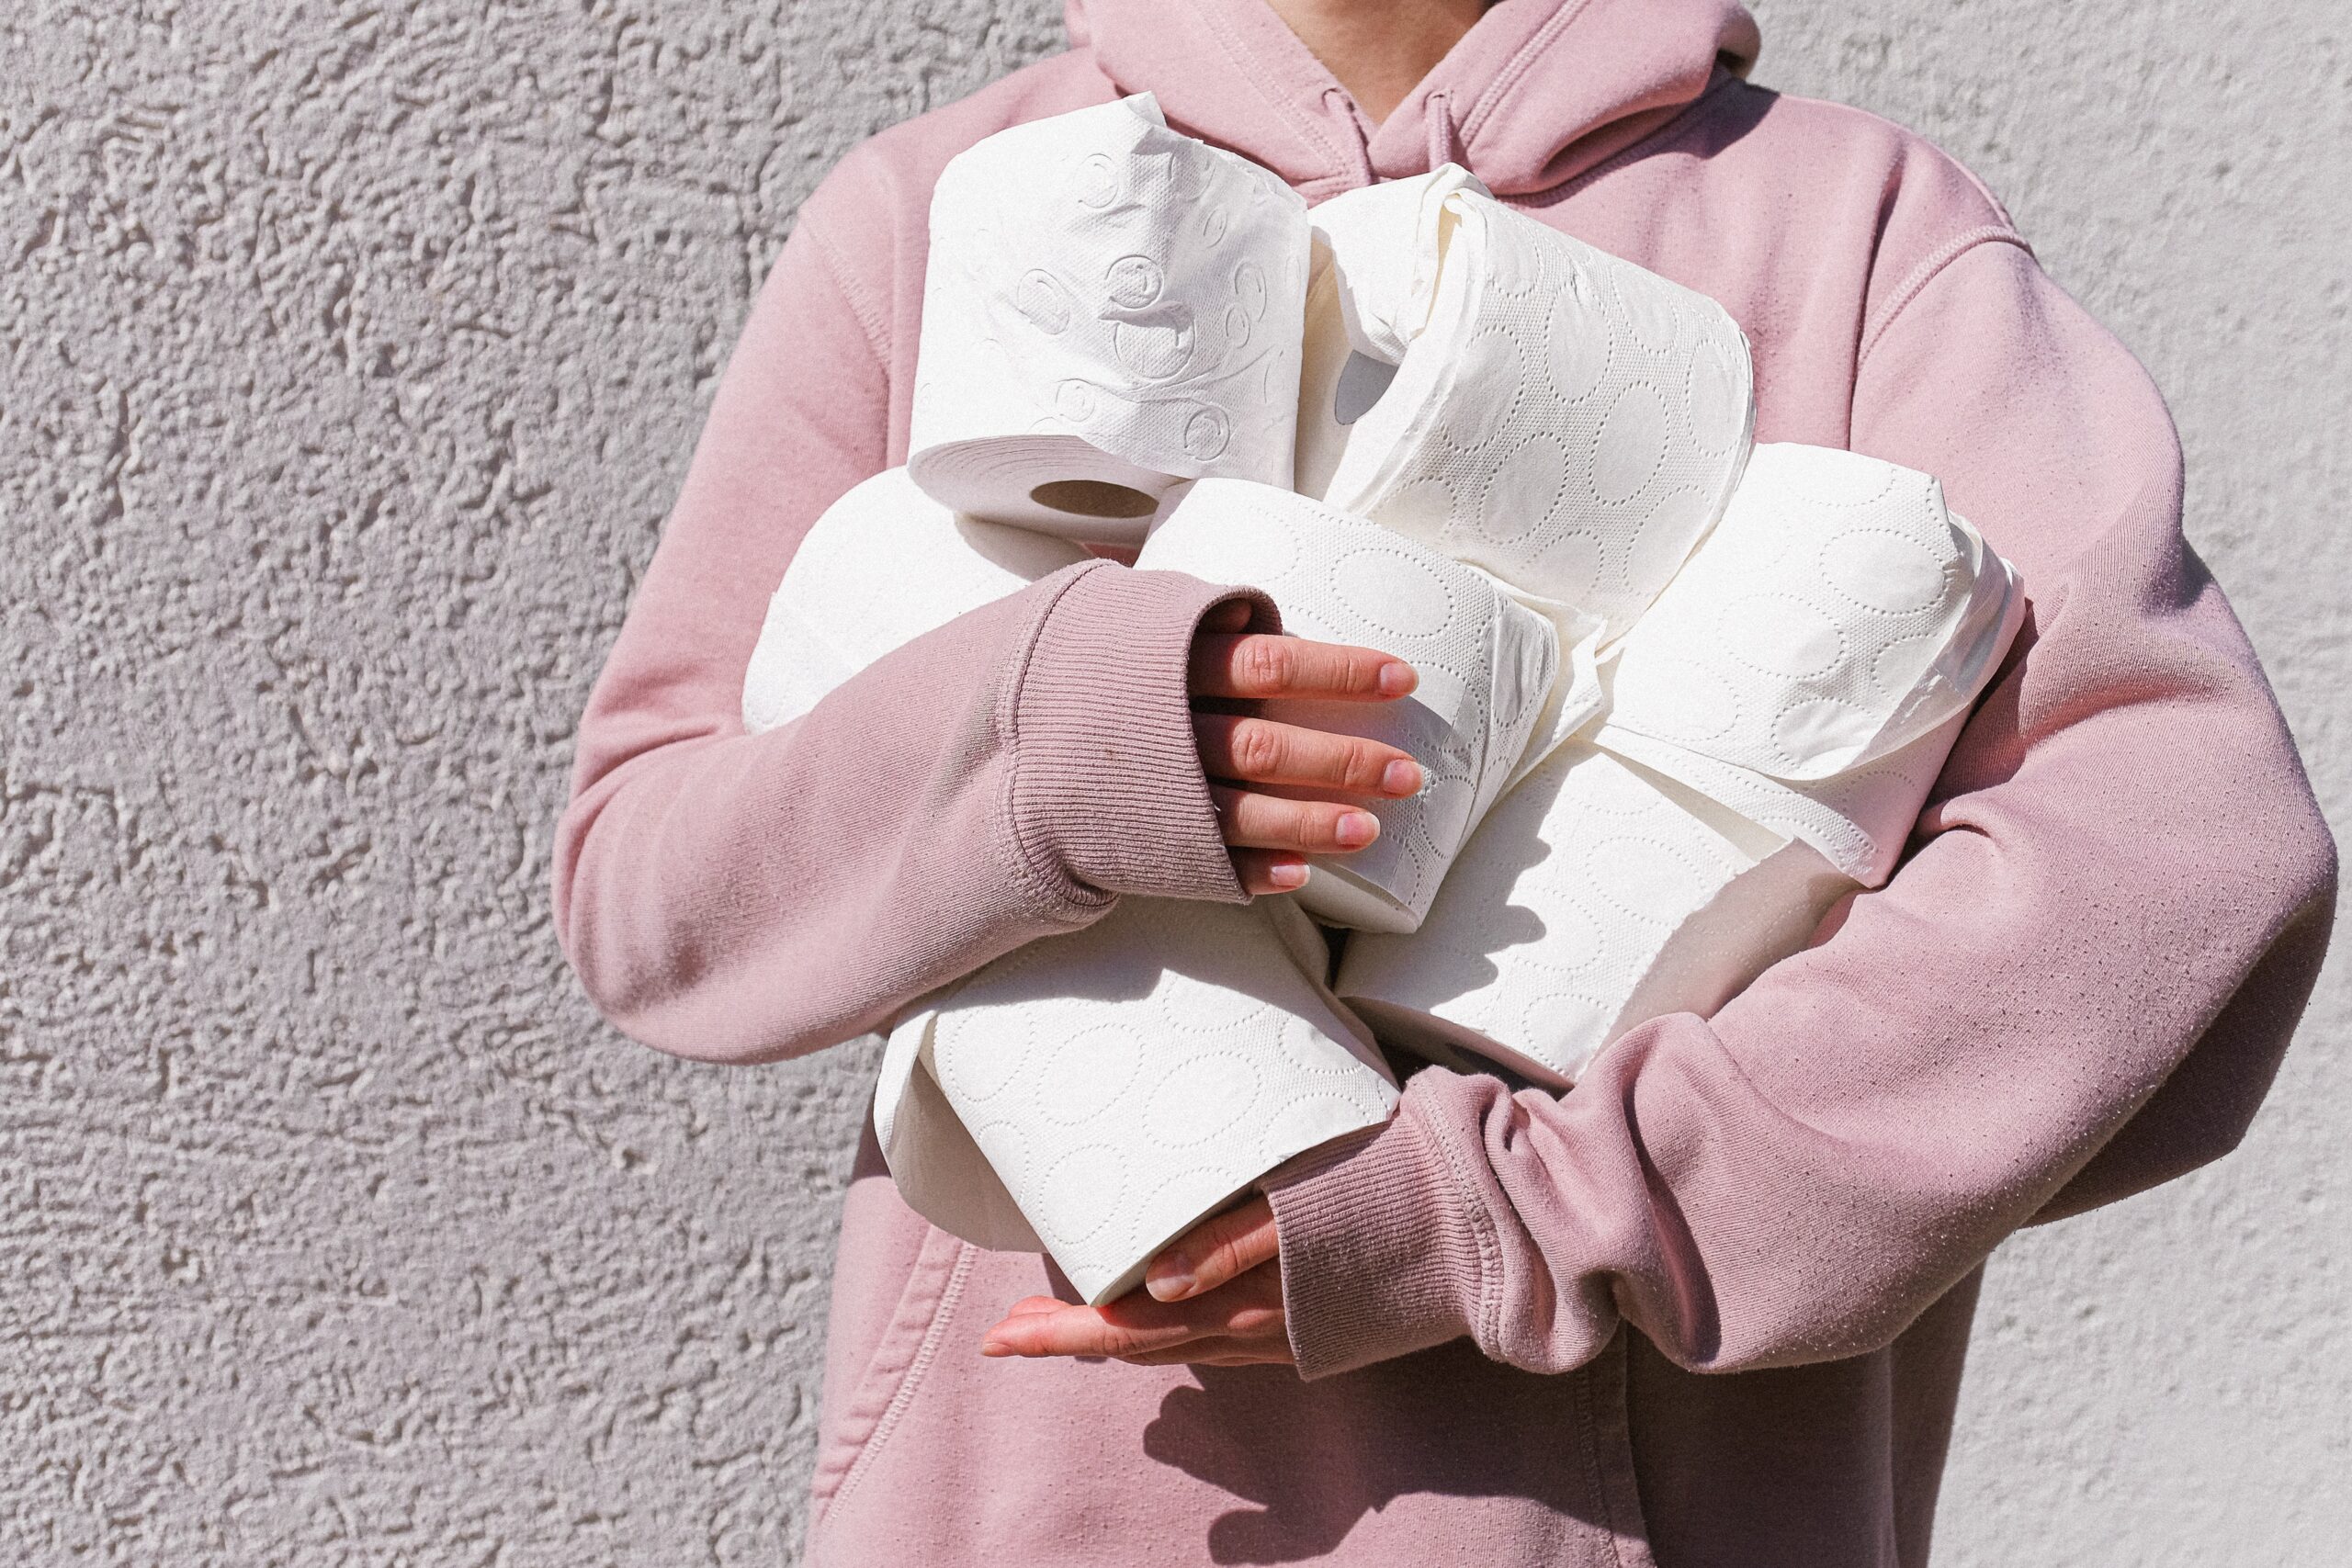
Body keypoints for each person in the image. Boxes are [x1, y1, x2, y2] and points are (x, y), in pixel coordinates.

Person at [550, 1, 2336, 1562]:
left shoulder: (1853, 231)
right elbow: (651, 885)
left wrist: (1520, 1206)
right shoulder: (952, 214)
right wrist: (1076, 735)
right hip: (1021, 1502)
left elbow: (2169, 855)